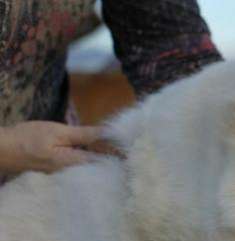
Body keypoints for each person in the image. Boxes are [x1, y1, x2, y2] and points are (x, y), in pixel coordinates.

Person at [0, 0, 222, 177]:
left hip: (46, 174)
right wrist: (7, 149)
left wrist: (217, 112)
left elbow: (169, 46)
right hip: (32, 157)